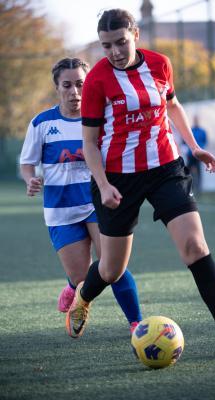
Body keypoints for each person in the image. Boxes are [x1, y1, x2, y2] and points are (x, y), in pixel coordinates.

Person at [66, 9, 215, 358]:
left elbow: (172, 106)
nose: (114, 51)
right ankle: (83, 297)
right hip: (117, 179)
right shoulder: (96, 80)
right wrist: (103, 183)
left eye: (121, 42)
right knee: (112, 269)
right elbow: (90, 143)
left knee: (195, 247)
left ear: (136, 35)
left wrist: (195, 146)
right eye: (107, 45)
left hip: (165, 167)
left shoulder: (159, 64)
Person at [19, 57, 142, 333]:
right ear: (57, 87)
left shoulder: (103, 119)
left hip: (97, 203)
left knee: (113, 266)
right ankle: (74, 287)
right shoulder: (41, 123)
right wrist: (30, 179)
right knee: (82, 275)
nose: (74, 92)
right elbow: (27, 163)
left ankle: (137, 323)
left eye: (80, 85)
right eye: (67, 85)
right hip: (60, 209)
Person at [186, 115, 208, 195]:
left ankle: (199, 189)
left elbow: (205, 141)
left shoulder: (202, 131)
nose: (196, 121)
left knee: (199, 172)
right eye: (195, 119)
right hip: (190, 154)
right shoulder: (190, 130)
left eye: (197, 119)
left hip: (199, 155)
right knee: (188, 171)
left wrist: (200, 149)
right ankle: (188, 188)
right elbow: (185, 141)